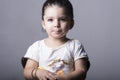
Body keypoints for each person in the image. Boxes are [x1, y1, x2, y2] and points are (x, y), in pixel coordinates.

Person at [23, 0, 90, 80]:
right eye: (50, 20)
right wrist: (37, 72)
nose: (56, 24)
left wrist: (65, 78)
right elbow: (26, 72)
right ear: (44, 24)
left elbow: (82, 71)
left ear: (71, 23)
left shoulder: (75, 45)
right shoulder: (37, 47)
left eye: (62, 19)